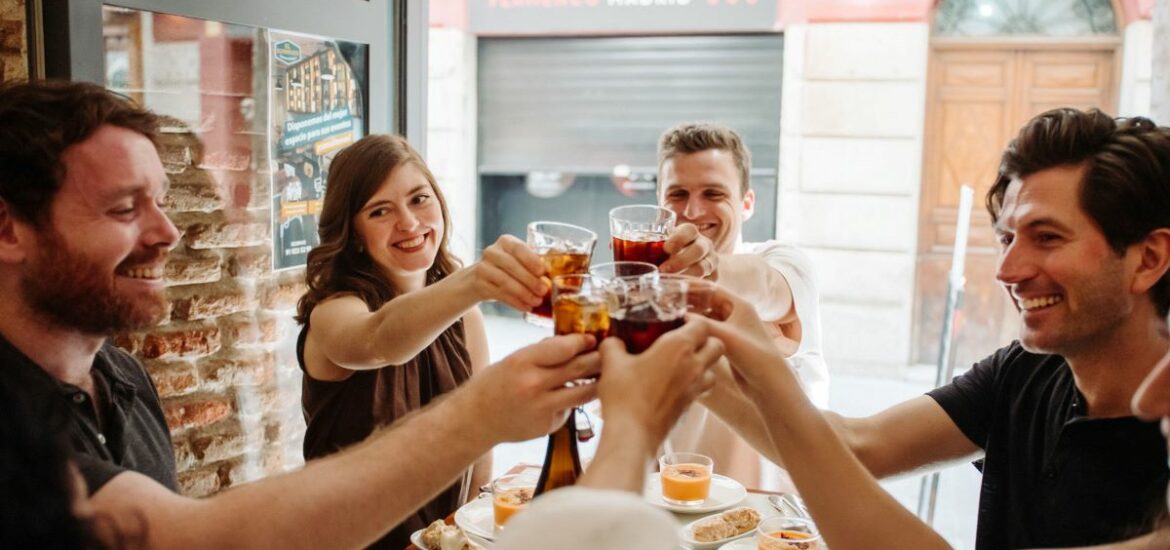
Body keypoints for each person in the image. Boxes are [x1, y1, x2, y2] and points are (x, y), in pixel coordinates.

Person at [0, 79, 708, 550]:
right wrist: (492, 406)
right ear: (8, 230)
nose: (169, 233)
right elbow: (202, 538)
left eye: (421, 198)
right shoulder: (342, 307)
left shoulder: (120, 376)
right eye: (126, 208)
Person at [703, 108, 1170, 549]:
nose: (1008, 270)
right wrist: (701, 372)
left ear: (1147, 259)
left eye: (1047, 237)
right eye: (1006, 238)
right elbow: (855, 448)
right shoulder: (1024, 371)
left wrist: (757, 365)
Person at [294, 133, 550, 547]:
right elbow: (380, 340)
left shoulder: (465, 315)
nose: (410, 223)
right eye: (380, 211)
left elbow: (480, 444)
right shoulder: (333, 313)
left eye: (419, 199)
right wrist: (476, 280)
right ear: (353, 232)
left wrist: (462, 534)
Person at [653, 121, 829, 490]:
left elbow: (767, 286)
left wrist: (710, 269)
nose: (692, 210)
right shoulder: (646, 290)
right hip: (670, 510)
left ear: (746, 203)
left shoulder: (784, 263)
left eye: (713, 193)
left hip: (771, 522)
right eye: (678, 194)